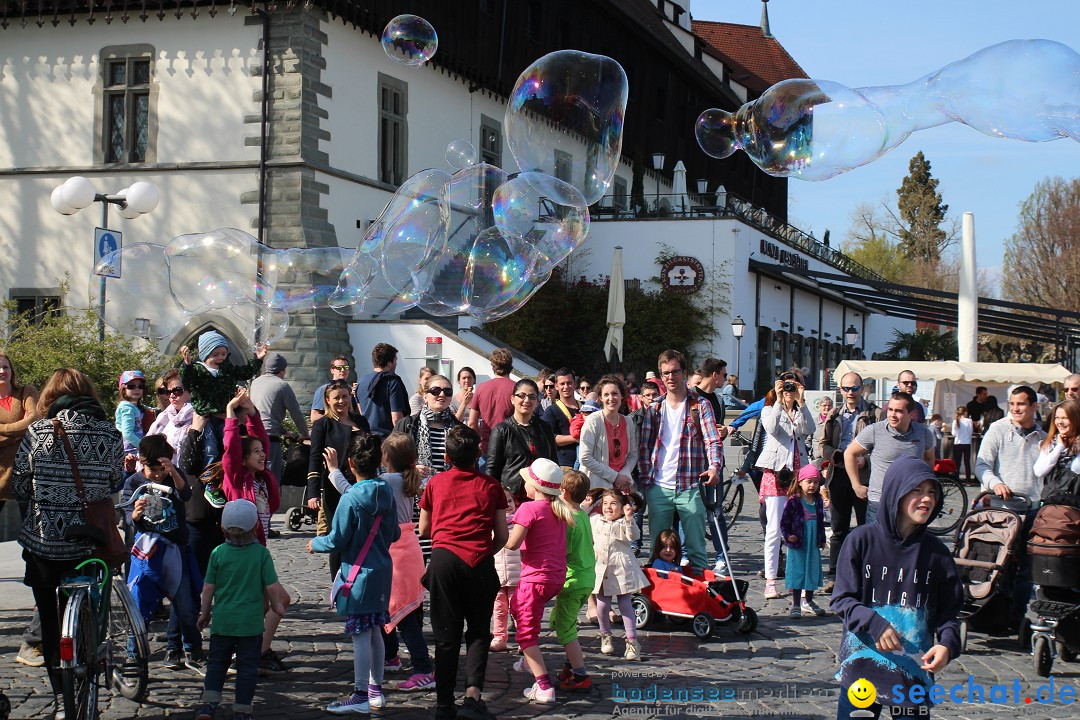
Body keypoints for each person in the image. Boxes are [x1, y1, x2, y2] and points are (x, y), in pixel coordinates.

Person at [12, 369, 124, 715]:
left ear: (50, 396)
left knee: (49, 619)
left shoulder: (38, 431)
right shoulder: (109, 432)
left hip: (45, 544)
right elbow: (115, 480)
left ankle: (63, 697)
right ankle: (90, 644)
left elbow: (19, 483)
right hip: (89, 543)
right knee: (89, 598)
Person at [831, 456, 963, 719]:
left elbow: (949, 614)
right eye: (917, 490)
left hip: (912, 680)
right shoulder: (861, 541)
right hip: (862, 673)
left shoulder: (938, 555)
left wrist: (947, 645)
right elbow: (842, 599)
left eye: (931, 492)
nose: (926, 499)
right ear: (896, 492)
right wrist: (874, 623)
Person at [419, 425, 508, 720]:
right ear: (479, 454)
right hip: (479, 562)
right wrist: (484, 552)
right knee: (479, 632)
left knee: (446, 636)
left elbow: (424, 529)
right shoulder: (491, 486)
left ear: (447, 456)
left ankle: (444, 705)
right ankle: (472, 697)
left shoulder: (435, 483)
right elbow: (502, 536)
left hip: (444, 561)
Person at [308, 433, 400, 714]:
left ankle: (361, 693)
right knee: (375, 630)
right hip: (383, 571)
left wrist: (315, 543)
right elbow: (394, 532)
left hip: (358, 576)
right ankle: (376, 691)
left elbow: (336, 540)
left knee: (361, 634)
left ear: (351, 462)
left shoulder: (350, 501)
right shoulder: (386, 491)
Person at [195, 500, 287, 720]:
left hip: (223, 622)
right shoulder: (261, 554)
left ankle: (209, 705)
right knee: (246, 668)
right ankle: (242, 711)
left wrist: (204, 613)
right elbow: (272, 587)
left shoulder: (218, 553)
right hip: (251, 624)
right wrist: (277, 606)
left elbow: (208, 587)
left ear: (223, 527)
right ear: (256, 526)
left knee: (216, 664)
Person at [222, 389, 291, 673]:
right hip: (243, 553)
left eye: (264, 451)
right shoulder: (237, 478)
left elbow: (259, 438)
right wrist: (231, 414)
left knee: (262, 604)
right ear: (243, 458)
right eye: (257, 453)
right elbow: (232, 448)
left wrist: (252, 414)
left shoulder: (262, 480)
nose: (263, 455)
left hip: (258, 552)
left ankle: (241, 651)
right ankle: (256, 652)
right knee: (280, 600)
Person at [123, 434, 204, 673]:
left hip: (176, 550)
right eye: (153, 469)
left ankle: (193, 650)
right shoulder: (134, 482)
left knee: (187, 606)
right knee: (139, 606)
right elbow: (127, 516)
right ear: (142, 462)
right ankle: (133, 654)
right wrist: (136, 514)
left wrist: (174, 472)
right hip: (146, 554)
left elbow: (185, 495)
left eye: (162, 468)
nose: (158, 474)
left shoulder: (173, 477)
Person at [637, 349, 723, 574]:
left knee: (696, 550)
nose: (670, 377)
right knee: (657, 550)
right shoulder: (655, 408)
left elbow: (712, 440)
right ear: (660, 376)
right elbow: (644, 447)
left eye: (675, 372)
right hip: (660, 486)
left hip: (691, 486)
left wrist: (714, 467)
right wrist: (648, 482)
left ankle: (699, 597)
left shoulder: (700, 405)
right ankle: (658, 600)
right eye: (665, 373)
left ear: (684, 373)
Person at [974, 385, 1046, 629]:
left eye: (1021, 404)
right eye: (1012, 404)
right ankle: (990, 612)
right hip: (1001, 509)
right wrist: (995, 484)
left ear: (1033, 407)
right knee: (996, 564)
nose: (1015, 409)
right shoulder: (998, 429)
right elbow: (982, 465)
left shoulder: (1043, 438)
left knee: (1025, 569)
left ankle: (1016, 616)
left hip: (1032, 510)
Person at [504, 458, 576, 704]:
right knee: (518, 607)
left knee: (526, 633)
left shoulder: (528, 509)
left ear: (535, 486)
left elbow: (513, 543)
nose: (523, 484)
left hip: (535, 578)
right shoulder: (559, 509)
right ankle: (527, 660)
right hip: (554, 577)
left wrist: (496, 533)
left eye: (526, 480)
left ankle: (544, 686)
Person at [378, 433, 435, 692]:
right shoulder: (406, 478)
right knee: (397, 606)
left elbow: (354, 492)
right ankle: (390, 656)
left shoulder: (386, 480)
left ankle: (423, 669)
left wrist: (334, 472)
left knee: (403, 613)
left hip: (396, 550)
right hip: (409, 548)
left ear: (386, 457)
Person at [819, 372, 882, 591]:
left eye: (854, 388)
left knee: (867, 527)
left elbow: (883, 447)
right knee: (838, 528)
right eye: (845, 389)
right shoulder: (835, 414)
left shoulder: (874, 414)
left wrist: (867, 459)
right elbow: (823, 443)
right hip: (839, 475)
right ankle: (835, 575)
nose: (850, 393)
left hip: (865, 477)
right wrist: (833, 454)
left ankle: (866, 574)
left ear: (862, 388)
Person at [755, 371, 815, 600]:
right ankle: (771, 580)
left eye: (793, 386)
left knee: (797, 528)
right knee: (774, 529)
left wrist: (802, 401)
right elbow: (771, 428)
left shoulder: (801, 411)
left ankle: (794, 579)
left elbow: (809, 428)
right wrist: (780, 400)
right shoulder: (769, 409)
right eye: (786, 386)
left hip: (799, 475)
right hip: (777, 473)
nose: (790, 390)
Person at [0, 352, 42, 667]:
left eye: (5, 366)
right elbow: (24, 425)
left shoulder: (25, 391)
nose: (2, 371)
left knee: (34, 543)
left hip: (24, 475)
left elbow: (35, 419)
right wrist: (18, 429)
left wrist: (5, 432)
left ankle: (38, 610)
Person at [307, 380, 372, 578]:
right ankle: (338, 579)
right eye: (336, 398)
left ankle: (360, 574)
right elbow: (315, 458)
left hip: (361, 484)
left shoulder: (361, 421)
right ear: (327, 400)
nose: (341, 401)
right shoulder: (322, 425)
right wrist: (313, 492)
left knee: (363, 531)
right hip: (335, 487)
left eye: (345, 396)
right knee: (339, 533)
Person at [844, 392, 936, 526]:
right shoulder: (875, 431)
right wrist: (856, 485)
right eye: (890, 410)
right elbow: (849, 453)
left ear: (911, 414)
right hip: (880, 502)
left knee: (907, 544)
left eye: (899, 411)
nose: (892, 414)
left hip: (910, 502)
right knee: (877, 544)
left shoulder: (923, 433)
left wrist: (924, 488)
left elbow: (929, 459)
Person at [180, 331, 266, 469]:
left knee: (230, 444)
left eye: (223, 354)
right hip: (206, 417)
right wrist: (187, 364)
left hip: (224, 416)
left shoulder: (227, 368)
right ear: (205, 354)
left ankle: (230, 470)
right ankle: (209, 476)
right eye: (215, 355)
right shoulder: (197, 369)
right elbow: (186, 379)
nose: (220, 358)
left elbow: (245, 372)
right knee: (210, 449)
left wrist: (258, 359)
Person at [552, 469, 596, 691]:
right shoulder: (583, 515)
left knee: (566, 631)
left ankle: (581, 675)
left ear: (564, 492)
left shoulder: (568, 520)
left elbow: (563, 551)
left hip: (573, 580)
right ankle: (569, 668)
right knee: (566, 623)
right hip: (587, 578)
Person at [591, 489, 648, 660]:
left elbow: (634, 536)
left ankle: (632, 641)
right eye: (605, 503)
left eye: (613, 503)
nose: (608, 507)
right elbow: (581, 516)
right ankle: (605, 636)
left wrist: (629, 518)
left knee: (625, 604)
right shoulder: (595, 520)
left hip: (621, 569)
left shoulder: (624, 523)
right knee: (601, 605)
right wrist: (588, 503)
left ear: (623, 507)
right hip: (601, 568)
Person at [485, 378, 557, 501]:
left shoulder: (545, 428)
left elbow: (553, 462)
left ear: (537, 401)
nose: (527, 400)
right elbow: (492, 469)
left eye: (532, 397)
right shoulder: (502, 429)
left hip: (541, 495)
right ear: (512, 399)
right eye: (521, 396)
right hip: (511, 497)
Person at [249, 352, 309, 487]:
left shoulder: (256, 382)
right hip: (269, 440)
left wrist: (285, 431)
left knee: (255, 478)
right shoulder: (282, 385)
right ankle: (269, 507)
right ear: (282, 370)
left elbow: (265, 413)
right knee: (270, 480)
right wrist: (305, 434)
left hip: (252, 436)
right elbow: (296, 413)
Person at [395, 373, 463, 479]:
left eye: (447, 391)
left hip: (449, 490)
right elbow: (391, 460)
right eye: (436, 390)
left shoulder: (460, 429)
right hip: (415, 491)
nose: (442, 394)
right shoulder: (407, 425)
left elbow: (469, 467)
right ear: (425, 396)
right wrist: (411, 470)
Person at [578, 375, 639, 493]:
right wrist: (615, 476)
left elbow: (633, 454)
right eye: (606, 394)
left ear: (622, 395)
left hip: (621, 488)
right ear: (600, 398)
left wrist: (623, 475)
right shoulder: (593, 420)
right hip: (596, 489)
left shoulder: (628, 421)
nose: (611, 398)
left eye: (615, 393)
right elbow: (585, 458)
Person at [780, 465, 826, 617]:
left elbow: (821, 522)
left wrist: (822, 538)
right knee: (797, 571)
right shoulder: (794, 501)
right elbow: (784, 522)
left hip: (812, 542)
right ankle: (796, 603)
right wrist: (788, 536)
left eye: (815, 482)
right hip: (798, 543)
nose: (812, 485)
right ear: (800, 482)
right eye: (809, 482)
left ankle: (809, 600)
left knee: (812, 570)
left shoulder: (818, 501)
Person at [354, 343, 409, 440]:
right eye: (395, 360)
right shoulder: (392, 382)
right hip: (387, 440)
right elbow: (396, 418)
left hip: (367, 439)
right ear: (389, 364)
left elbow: (361, 413)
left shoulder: (361, 382)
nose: (396, 363)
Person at [468, 348, 516, 456]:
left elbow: (472, 422)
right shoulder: (516, 388)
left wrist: (478, 442)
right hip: (510, 448)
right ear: (510, 366)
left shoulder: (481, 388)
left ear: (493, 366)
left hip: (487, 447)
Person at [490, 488, 520, 653]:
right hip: (498, 576)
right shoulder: (491, 524)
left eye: (509, 500)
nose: (507, 505)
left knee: (519, 609)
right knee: (499, 609)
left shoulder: (520, 523)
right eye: (503, 502)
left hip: (518, 576)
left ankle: (524, 638)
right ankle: (499, 637)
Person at [1034, 400, 1080, 499]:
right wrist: (1059, 447)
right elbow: (1039, 471)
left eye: (1065, 418)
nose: (1060, 422)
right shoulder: (1050, 443)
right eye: (1057, 418)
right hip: (1054, 503)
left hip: (1076, 504)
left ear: (1075, 419)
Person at [148, 369, 194, 464]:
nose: (172, 396)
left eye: (177, 391)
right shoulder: (164, 416)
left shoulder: (201, 416)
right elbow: (148, 446)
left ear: (190, 390)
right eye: (168, 392)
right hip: (162, 474)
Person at [542, 368, 582, 467]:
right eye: (562, 384)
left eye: (569, 383)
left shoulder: (586, 407)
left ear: (575, 384)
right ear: (556, 386)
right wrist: (575, 438)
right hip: (565, 464)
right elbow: (549, 438)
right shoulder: (551, 411)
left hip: (589, 463)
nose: (566, 387)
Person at [115, 370, 155, 454]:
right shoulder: (127, 408)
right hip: (130, 450)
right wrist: (145, 447)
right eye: (131, 386)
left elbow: (153, 409)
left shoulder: (136, 406)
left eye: (140, 386)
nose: (137, 389)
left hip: (136, 447)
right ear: (123, 390)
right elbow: (127, 433)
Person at [310, 355, 357, 425]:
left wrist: (356, 397)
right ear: (332, 370)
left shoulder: (351, 389)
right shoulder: (324, 389)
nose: (343, 370)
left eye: (345, 367)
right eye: (339, 368)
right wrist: (337, 422)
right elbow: (314, 417)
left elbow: (358, 414)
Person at [951, 406, 974, 482]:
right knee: (967, 462)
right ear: (965, 412)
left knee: (957, 463)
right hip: (967, 443)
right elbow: (970, 432)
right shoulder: (969, 421)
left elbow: (953, 433)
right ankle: (968, 480)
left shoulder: (955, 421)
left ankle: (956, 479)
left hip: (958, 443)